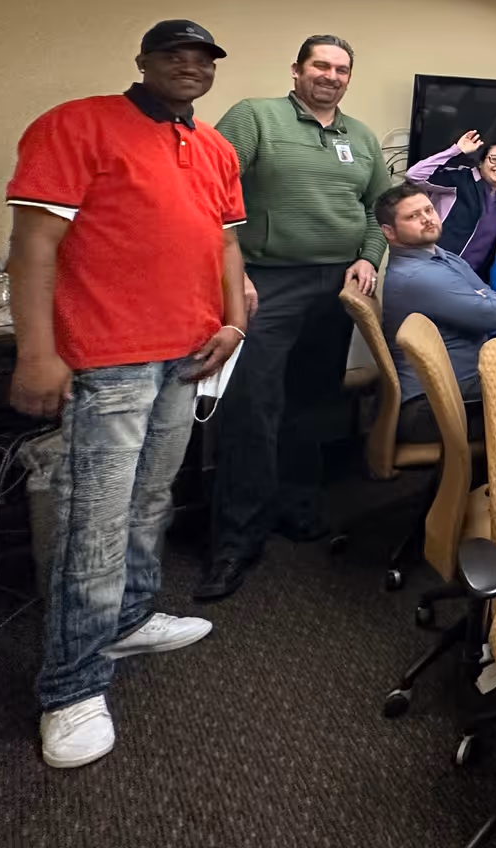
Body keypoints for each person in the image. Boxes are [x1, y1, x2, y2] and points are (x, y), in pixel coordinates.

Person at [4, 19, 249, 769]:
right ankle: (71, 687)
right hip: (107, 360)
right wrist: (37, 353)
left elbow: (226, 242)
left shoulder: (213, 148)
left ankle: (132, 617)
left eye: (203, 57)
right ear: (142, 61)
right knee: (94, 523)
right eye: (174, 53)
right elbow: (33, 244)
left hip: (190, 350)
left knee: (152, 501)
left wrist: (235, 317)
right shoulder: (75, 125)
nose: (190, 65)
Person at [199, 33, 387, 602]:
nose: (331, 75)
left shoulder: (361, 136)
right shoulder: (257, 117)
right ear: (297, 70)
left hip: (336, 285)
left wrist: (367, 256)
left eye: (341, 69)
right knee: (254, 406)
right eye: (320, 65)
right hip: (267, 282)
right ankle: (237, 538)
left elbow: (380, 209)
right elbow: (208, 193)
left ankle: (298, 506)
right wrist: (236, 274)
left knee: (315, 401)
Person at [376, 184, 496, 444]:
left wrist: (487, 295)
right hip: (431, 409)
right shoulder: (419, 275)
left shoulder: (439, 255)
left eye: (428, 209)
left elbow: (488, 295)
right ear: (389, 232)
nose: (427, 218)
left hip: (460, 389)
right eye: (413, 216)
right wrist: (488, 296)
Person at [406, 130, 496, 279]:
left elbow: (485, 232)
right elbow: (414, 175)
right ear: (481, 162)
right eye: (495, 159)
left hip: (471, 278)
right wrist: (456, 150)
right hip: (437, 270)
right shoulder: (461, 179)